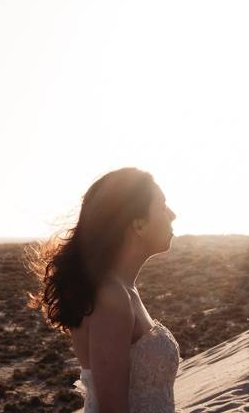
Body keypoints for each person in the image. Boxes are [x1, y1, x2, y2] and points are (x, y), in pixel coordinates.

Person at [31, 168, 180, 413]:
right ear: (138, 224)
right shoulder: (111, 297)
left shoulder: (123, 290)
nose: (172, 215)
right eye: (163, 206)